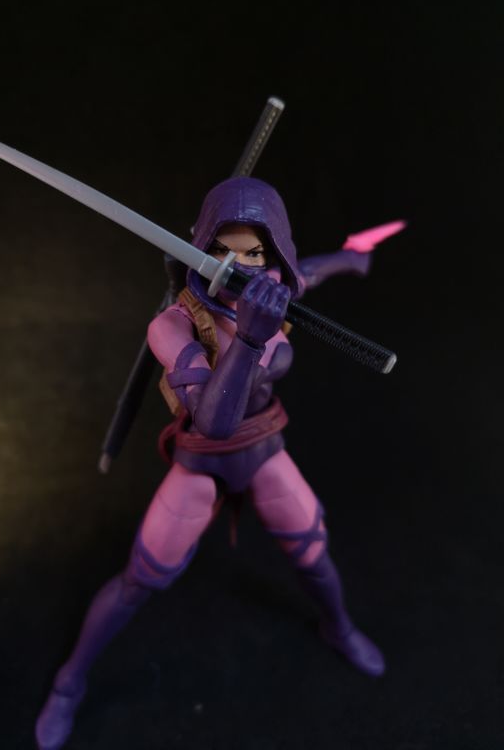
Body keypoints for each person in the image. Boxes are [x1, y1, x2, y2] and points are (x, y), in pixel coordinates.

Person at [36, 177, 404, 750]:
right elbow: (213, 422)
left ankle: (339, 627)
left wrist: (351, 257)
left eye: (255, 253)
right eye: (222, 252)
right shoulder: (174, 326)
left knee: (314, 551)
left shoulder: (277, 289)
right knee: (139, 580)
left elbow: (310, 270)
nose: (239, 268)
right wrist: (251, 341)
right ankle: (69, 681)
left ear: (274, 252)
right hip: (202, 463)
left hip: (263, 450)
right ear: (199, 248)